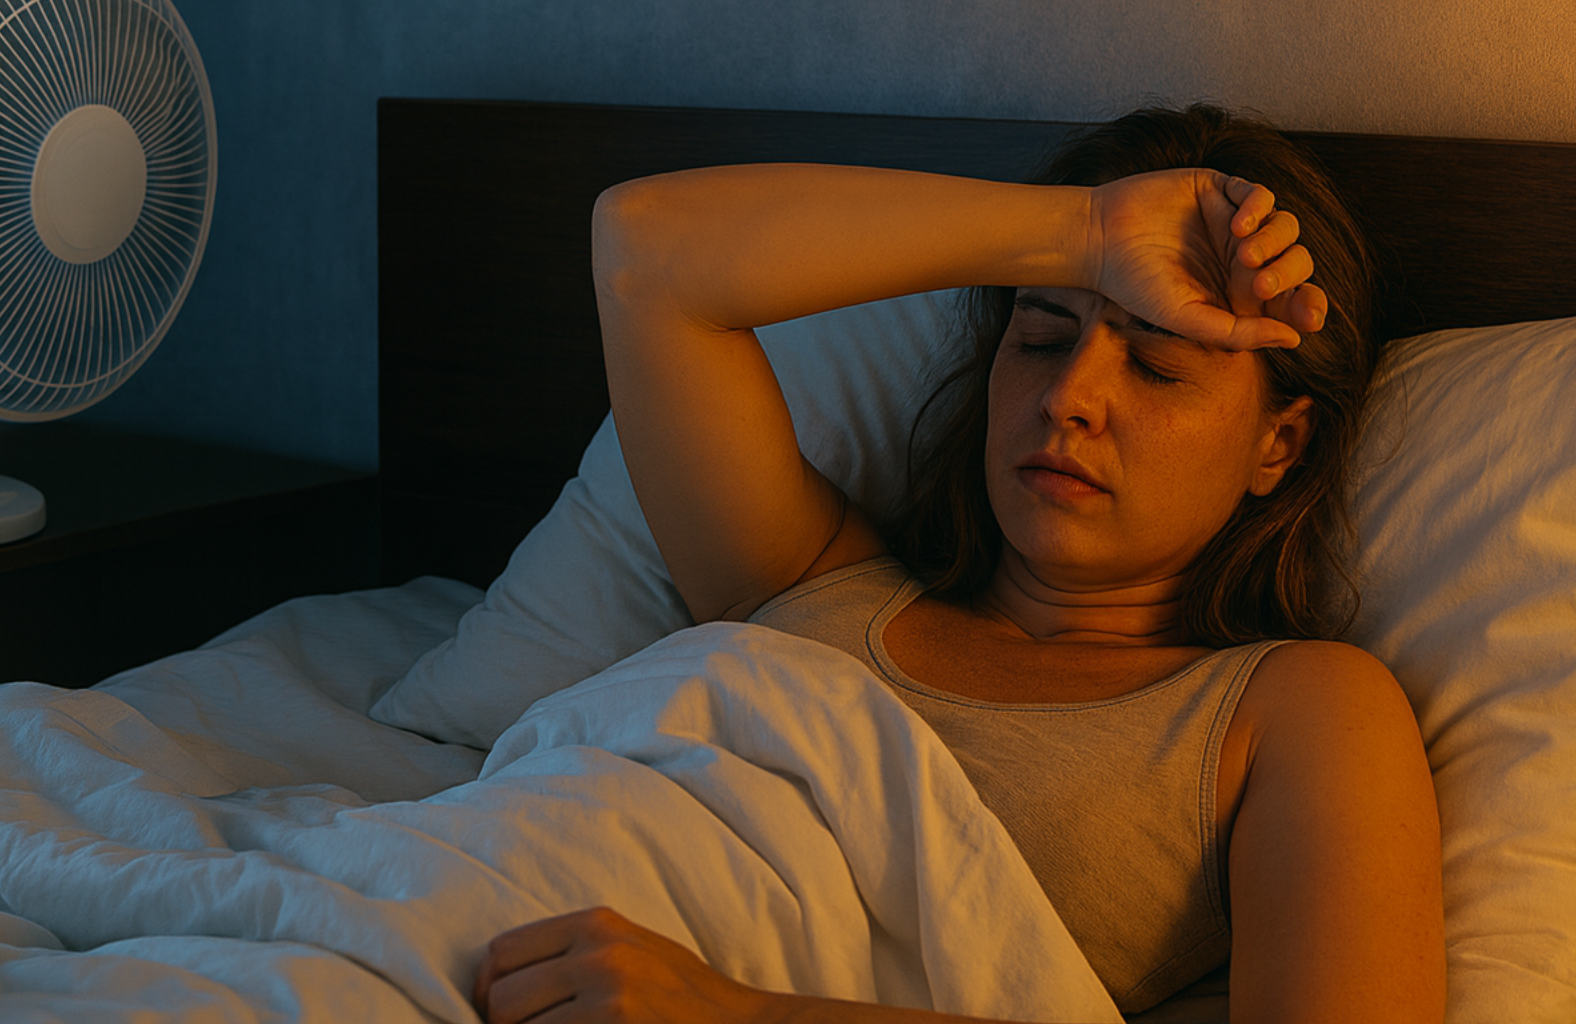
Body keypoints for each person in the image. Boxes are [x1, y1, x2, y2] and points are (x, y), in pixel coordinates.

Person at [472, 105, 1443, 1024]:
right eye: (1040, 335)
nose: (1068, 394)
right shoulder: (809, 577)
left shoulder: (1291, 710)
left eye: (1155, 364)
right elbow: (646, 248)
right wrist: (1086, 232)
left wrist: (736, 1012)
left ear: (1277, 443)